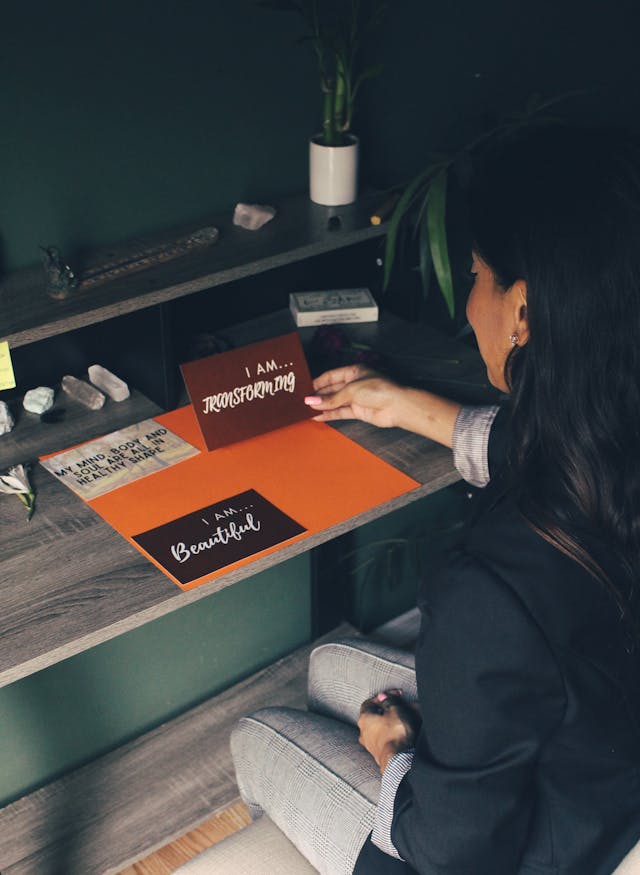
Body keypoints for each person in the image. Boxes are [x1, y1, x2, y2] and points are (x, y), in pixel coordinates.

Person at [231, 125, 640, 874]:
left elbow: (456, 853)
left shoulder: (490, 589)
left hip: (528, 853)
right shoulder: (611, 446)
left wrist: (397, 756)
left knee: (255, 734)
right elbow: (533, 448)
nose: (468, 305)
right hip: (603, 784)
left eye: (479, 275)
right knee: (328, 668)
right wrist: (401, 405)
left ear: (523, 311)